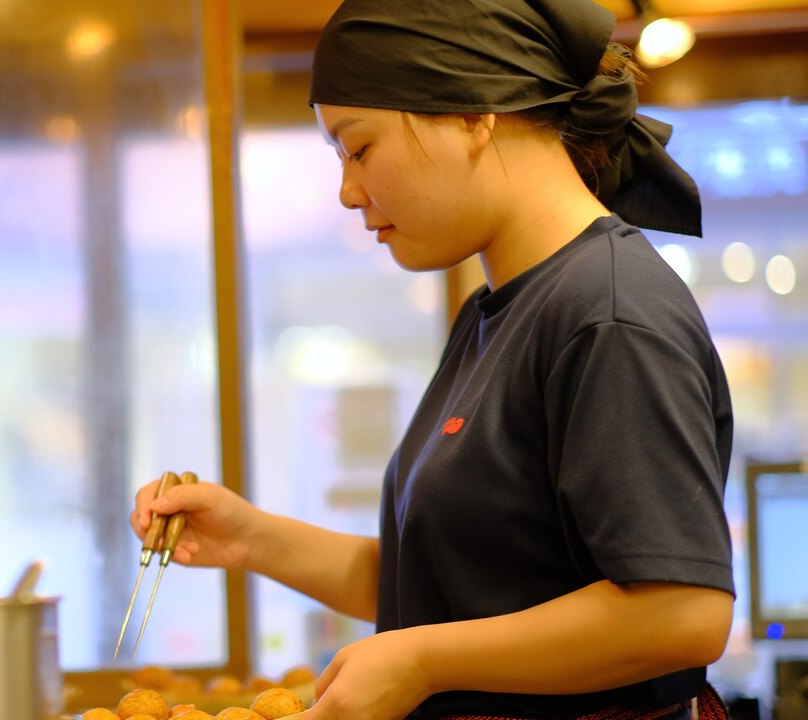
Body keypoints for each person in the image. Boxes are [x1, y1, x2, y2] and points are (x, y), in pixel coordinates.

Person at [129, 1, 735, 718]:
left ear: (476, 114)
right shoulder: (496, 312)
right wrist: (251, 537)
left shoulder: (604, 312)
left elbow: (679, 613)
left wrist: (418, 660)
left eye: (358, 148)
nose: (349, 193)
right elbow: (455, 583)